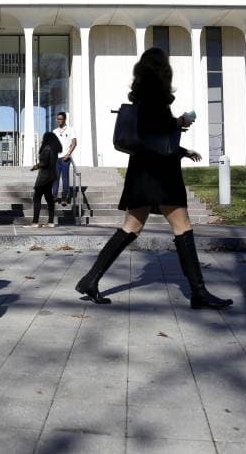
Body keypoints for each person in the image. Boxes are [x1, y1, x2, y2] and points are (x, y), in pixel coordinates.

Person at [75, 48, 233, 310]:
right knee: (182, 225)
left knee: (131, 227)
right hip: (161, 173)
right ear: (163, 71)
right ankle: (199, 292)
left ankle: (90, 279)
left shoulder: (142, 98)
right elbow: (158, 135)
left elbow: (151, 136)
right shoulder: (156, 99)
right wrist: (179, 122)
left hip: (142, 170)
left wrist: (180, 140)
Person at [25, 132, 62, 228]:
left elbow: (44, 163)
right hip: (51, 176)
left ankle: (35, 222)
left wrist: (35, 167)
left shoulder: (47, 149)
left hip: (44, 177)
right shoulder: (54, 150)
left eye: (43, 138)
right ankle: (51, 221)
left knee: (37, 198)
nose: (42, 140)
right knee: (49, 198)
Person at [52, 112, 78, 206]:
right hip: (56, 158)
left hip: (65, 158)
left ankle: (64, 198)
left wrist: (68, 154)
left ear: (64, 119)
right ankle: (54, 196)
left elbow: (74, 143)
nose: (58, 121)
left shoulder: (71, 130)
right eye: (57, 119)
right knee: (55, 178)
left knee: (65, 178)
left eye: (60, 119)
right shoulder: (54, 131)